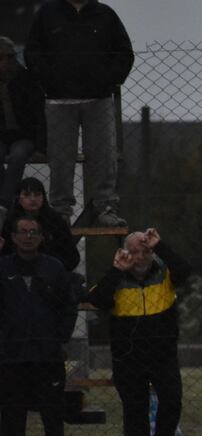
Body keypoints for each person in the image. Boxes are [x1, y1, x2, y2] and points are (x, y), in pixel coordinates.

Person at [85, 227, 191, 436]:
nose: (140, 257)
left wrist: (160, 246)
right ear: (124, 253)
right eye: (134, 252)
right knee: (135, 407)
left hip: (162, 353)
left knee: (172, 399)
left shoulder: (164, 273)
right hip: (128, 356)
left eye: (146, 251)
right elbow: (98, 299)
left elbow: (185, 270)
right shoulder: (116, 278)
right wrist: (116, 270)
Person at [25, 0, 134, 227]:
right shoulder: (47, 13)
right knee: (60, 160)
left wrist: (108, 79)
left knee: (104, 156)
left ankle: (105, 208)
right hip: (58, 101)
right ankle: (60, 212)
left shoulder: (105, 14)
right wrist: (49, 80)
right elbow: (32, 52)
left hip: (99, 100)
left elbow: (124, 52)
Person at [0, 213, 75, 436]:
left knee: (52, 411)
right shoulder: (3, 268)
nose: (28, 237)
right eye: (23, 232)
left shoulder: (54, 268)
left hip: (47, 355)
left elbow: (68, 306)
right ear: (13, 237)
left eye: (33, 232)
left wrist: (60, 336)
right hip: (11, 356)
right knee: (11, 412)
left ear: (42, 237)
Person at [0, 37, 46, 218]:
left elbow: (39, 114)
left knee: (18, 155)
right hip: (3, 135)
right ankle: (7, 199)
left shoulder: (26, 80)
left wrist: (41, 147)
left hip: (24, 135)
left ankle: (4, 202)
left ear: (10, 58)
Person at [1, 177, 79, 272]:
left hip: (50, 272)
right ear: (18, 198)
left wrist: (53, 269)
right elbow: (5, 253)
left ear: (43, 197)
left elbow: (72, 257)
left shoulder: (55, 220)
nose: (33, 199)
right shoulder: (10, 221)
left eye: (37, 194)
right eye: (26, 195)